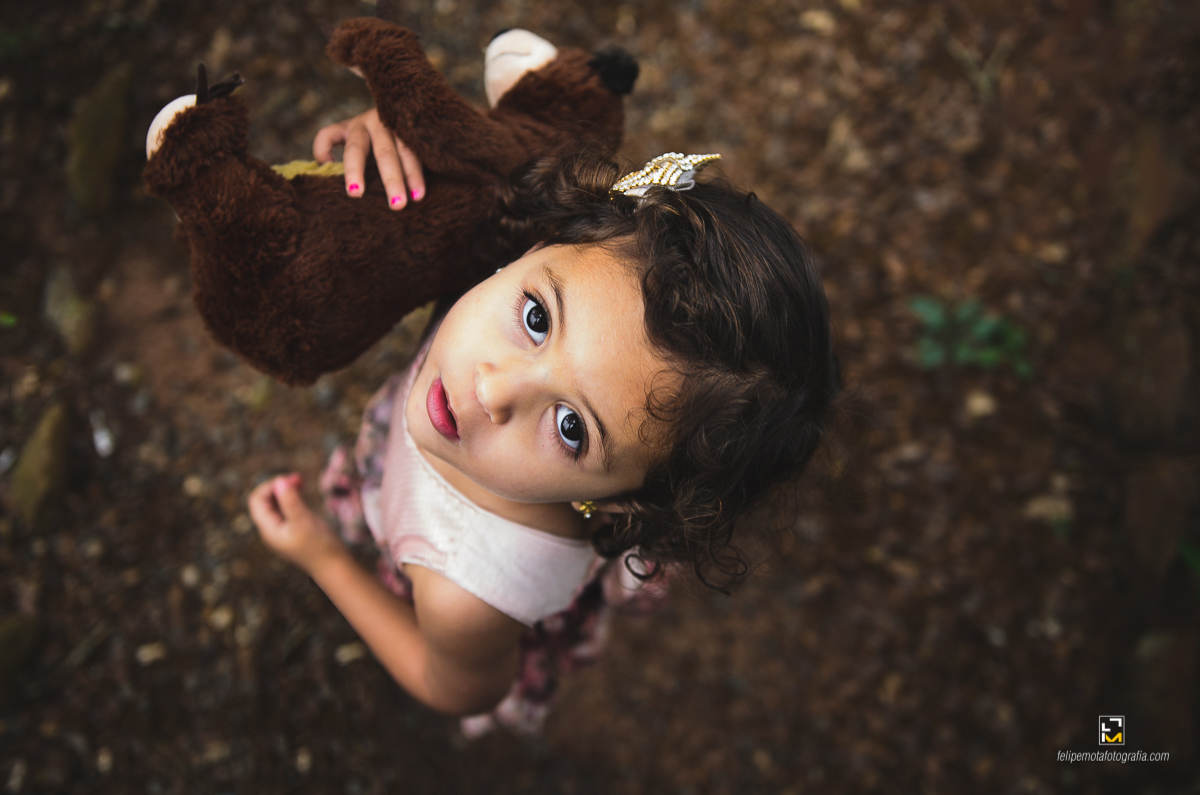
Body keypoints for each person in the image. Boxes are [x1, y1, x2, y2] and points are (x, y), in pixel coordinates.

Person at [248, 119, 839, 736]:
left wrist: (323, 558)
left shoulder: (466, 599)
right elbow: (470, 142)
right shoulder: (514, 264)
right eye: (536, 319)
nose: (493, 388)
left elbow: (449, 686)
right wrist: (401, 140)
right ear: (537, 246)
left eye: (571, 427)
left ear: (618, 501)